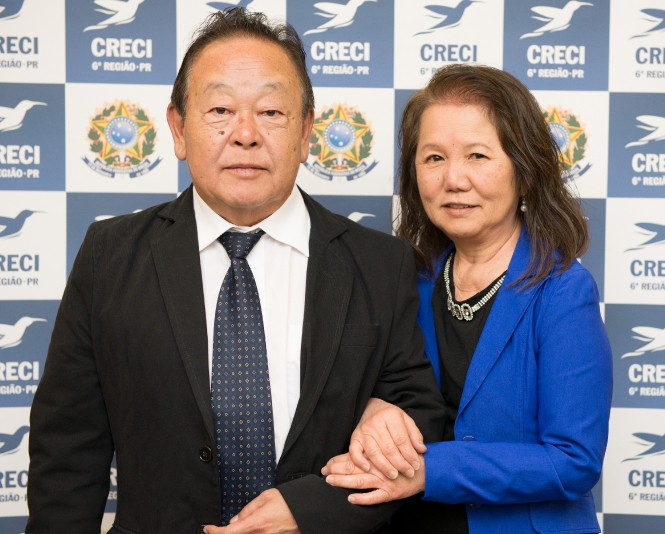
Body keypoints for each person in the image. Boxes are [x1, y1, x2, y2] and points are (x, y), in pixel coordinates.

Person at [26, 9, 445, 534]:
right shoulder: (109, 256)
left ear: (306, 131)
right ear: (178, 128)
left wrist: (313, 506)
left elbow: (416, 420)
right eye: (220, 109)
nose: (246, 134)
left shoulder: (380, 263)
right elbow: (67, 450)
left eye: (271, 111)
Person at [322, 64, 613, 533]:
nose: (453, 179)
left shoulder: (562, 291)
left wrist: (429, 471)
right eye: (434, 158)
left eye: (477, 156)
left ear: (524, 170)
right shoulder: (402, 281)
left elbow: (573, 460)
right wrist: (376, 404)